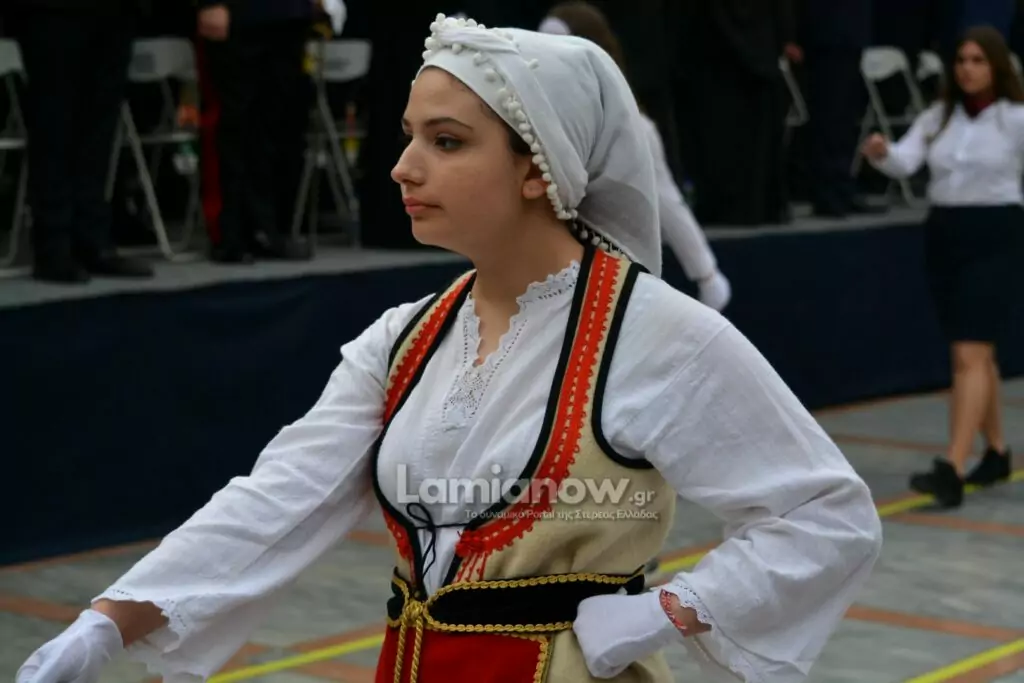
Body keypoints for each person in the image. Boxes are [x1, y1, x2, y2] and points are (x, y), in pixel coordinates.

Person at [18, 16, 882, 683]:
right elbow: (277, 499)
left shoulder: (652, 333)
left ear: (539, 168)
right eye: (409, 135)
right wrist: (107, 622)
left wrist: (666, 609)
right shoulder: (406, 337)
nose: (403, 166)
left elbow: (825, 513)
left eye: (447, 141)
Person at [862, 26, 1020, 509]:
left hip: (996, 235)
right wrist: (883, 154)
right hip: (945, 234)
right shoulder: (937, 116)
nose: (967, 69)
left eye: (978, 60)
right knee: (976, 354)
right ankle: (996, 451)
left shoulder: (1015, 119)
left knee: (969, 352)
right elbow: (906, 162)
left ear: (996, 66)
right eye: (961, 60)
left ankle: (951, 465)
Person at [539, 1, 732, 311]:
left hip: (612, 269)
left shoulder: (632, 127)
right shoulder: (540, 117)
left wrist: (705, 273)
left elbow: (667, 201)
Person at [7, 0, 154, 283]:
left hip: (115, 11)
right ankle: (53, 245)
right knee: (54, 125)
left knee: (100, 130)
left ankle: (93, 239)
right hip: (52, 12)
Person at [195, 0, 345, 263]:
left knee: (277, 125)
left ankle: (267, 227)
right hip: (236, 15)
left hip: (288, 15)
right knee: (232, 123)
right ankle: (229, 232)